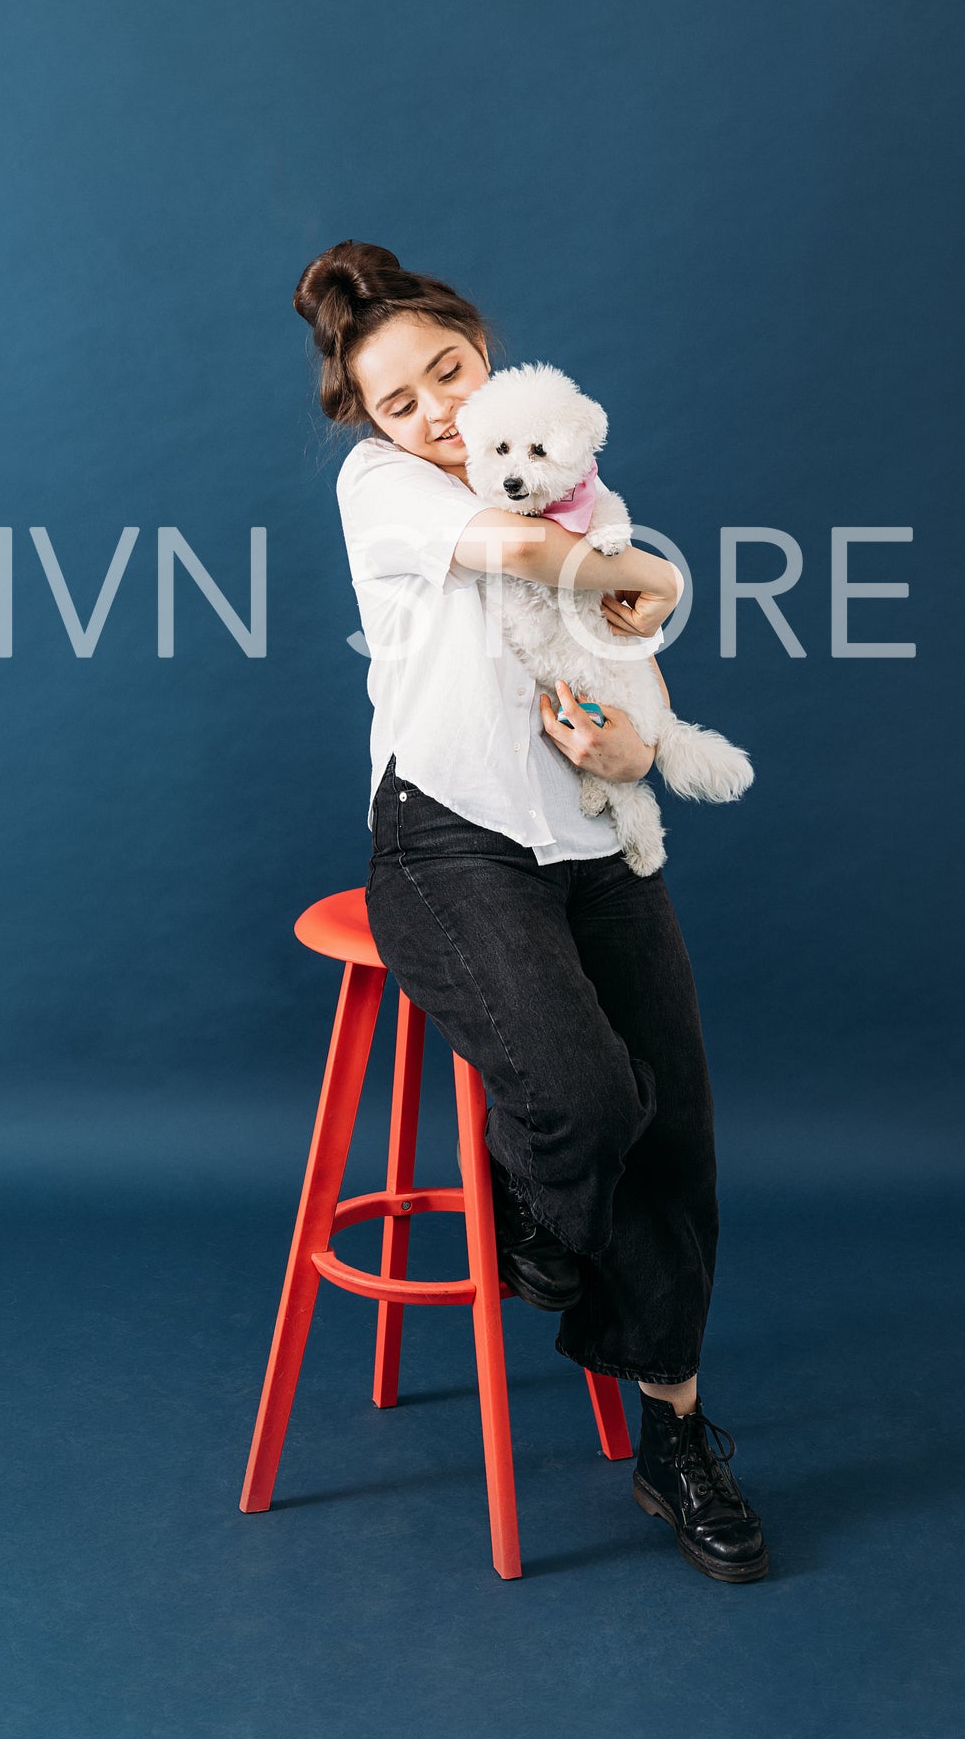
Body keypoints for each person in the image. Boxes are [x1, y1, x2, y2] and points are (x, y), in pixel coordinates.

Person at [293, 240, 770, 1586]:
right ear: (375, 425)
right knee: (582, 1095)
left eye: (449, 372)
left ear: (485, 355)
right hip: (446, 836)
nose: (438, 411)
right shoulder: (386, 487)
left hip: (591, 832)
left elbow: (616, 655)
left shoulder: (573, 479)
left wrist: (628, 741)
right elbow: (523, 551)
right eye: (403, 399)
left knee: (670, 1124)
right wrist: (660, 575)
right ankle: (539, 1208)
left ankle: (672, 1439)